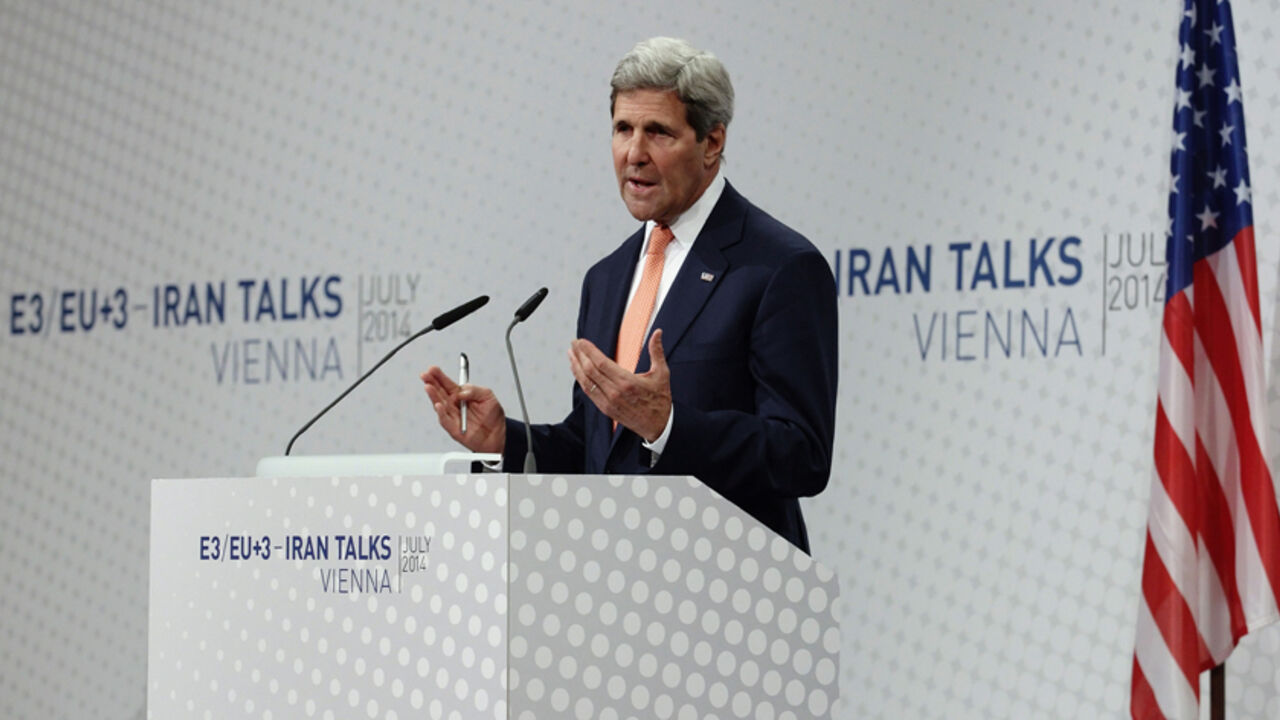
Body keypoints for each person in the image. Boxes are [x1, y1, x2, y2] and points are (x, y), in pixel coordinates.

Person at [421, 37, 837, 552]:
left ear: (712, 142)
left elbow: (801, 454)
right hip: (620, 580)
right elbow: (595, 449)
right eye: (623, 129)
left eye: (658, 132)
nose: (634, 154)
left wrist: (669, 426)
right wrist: (506, 438)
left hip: (731, 582)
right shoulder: (607, 277)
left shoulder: (778, 267)